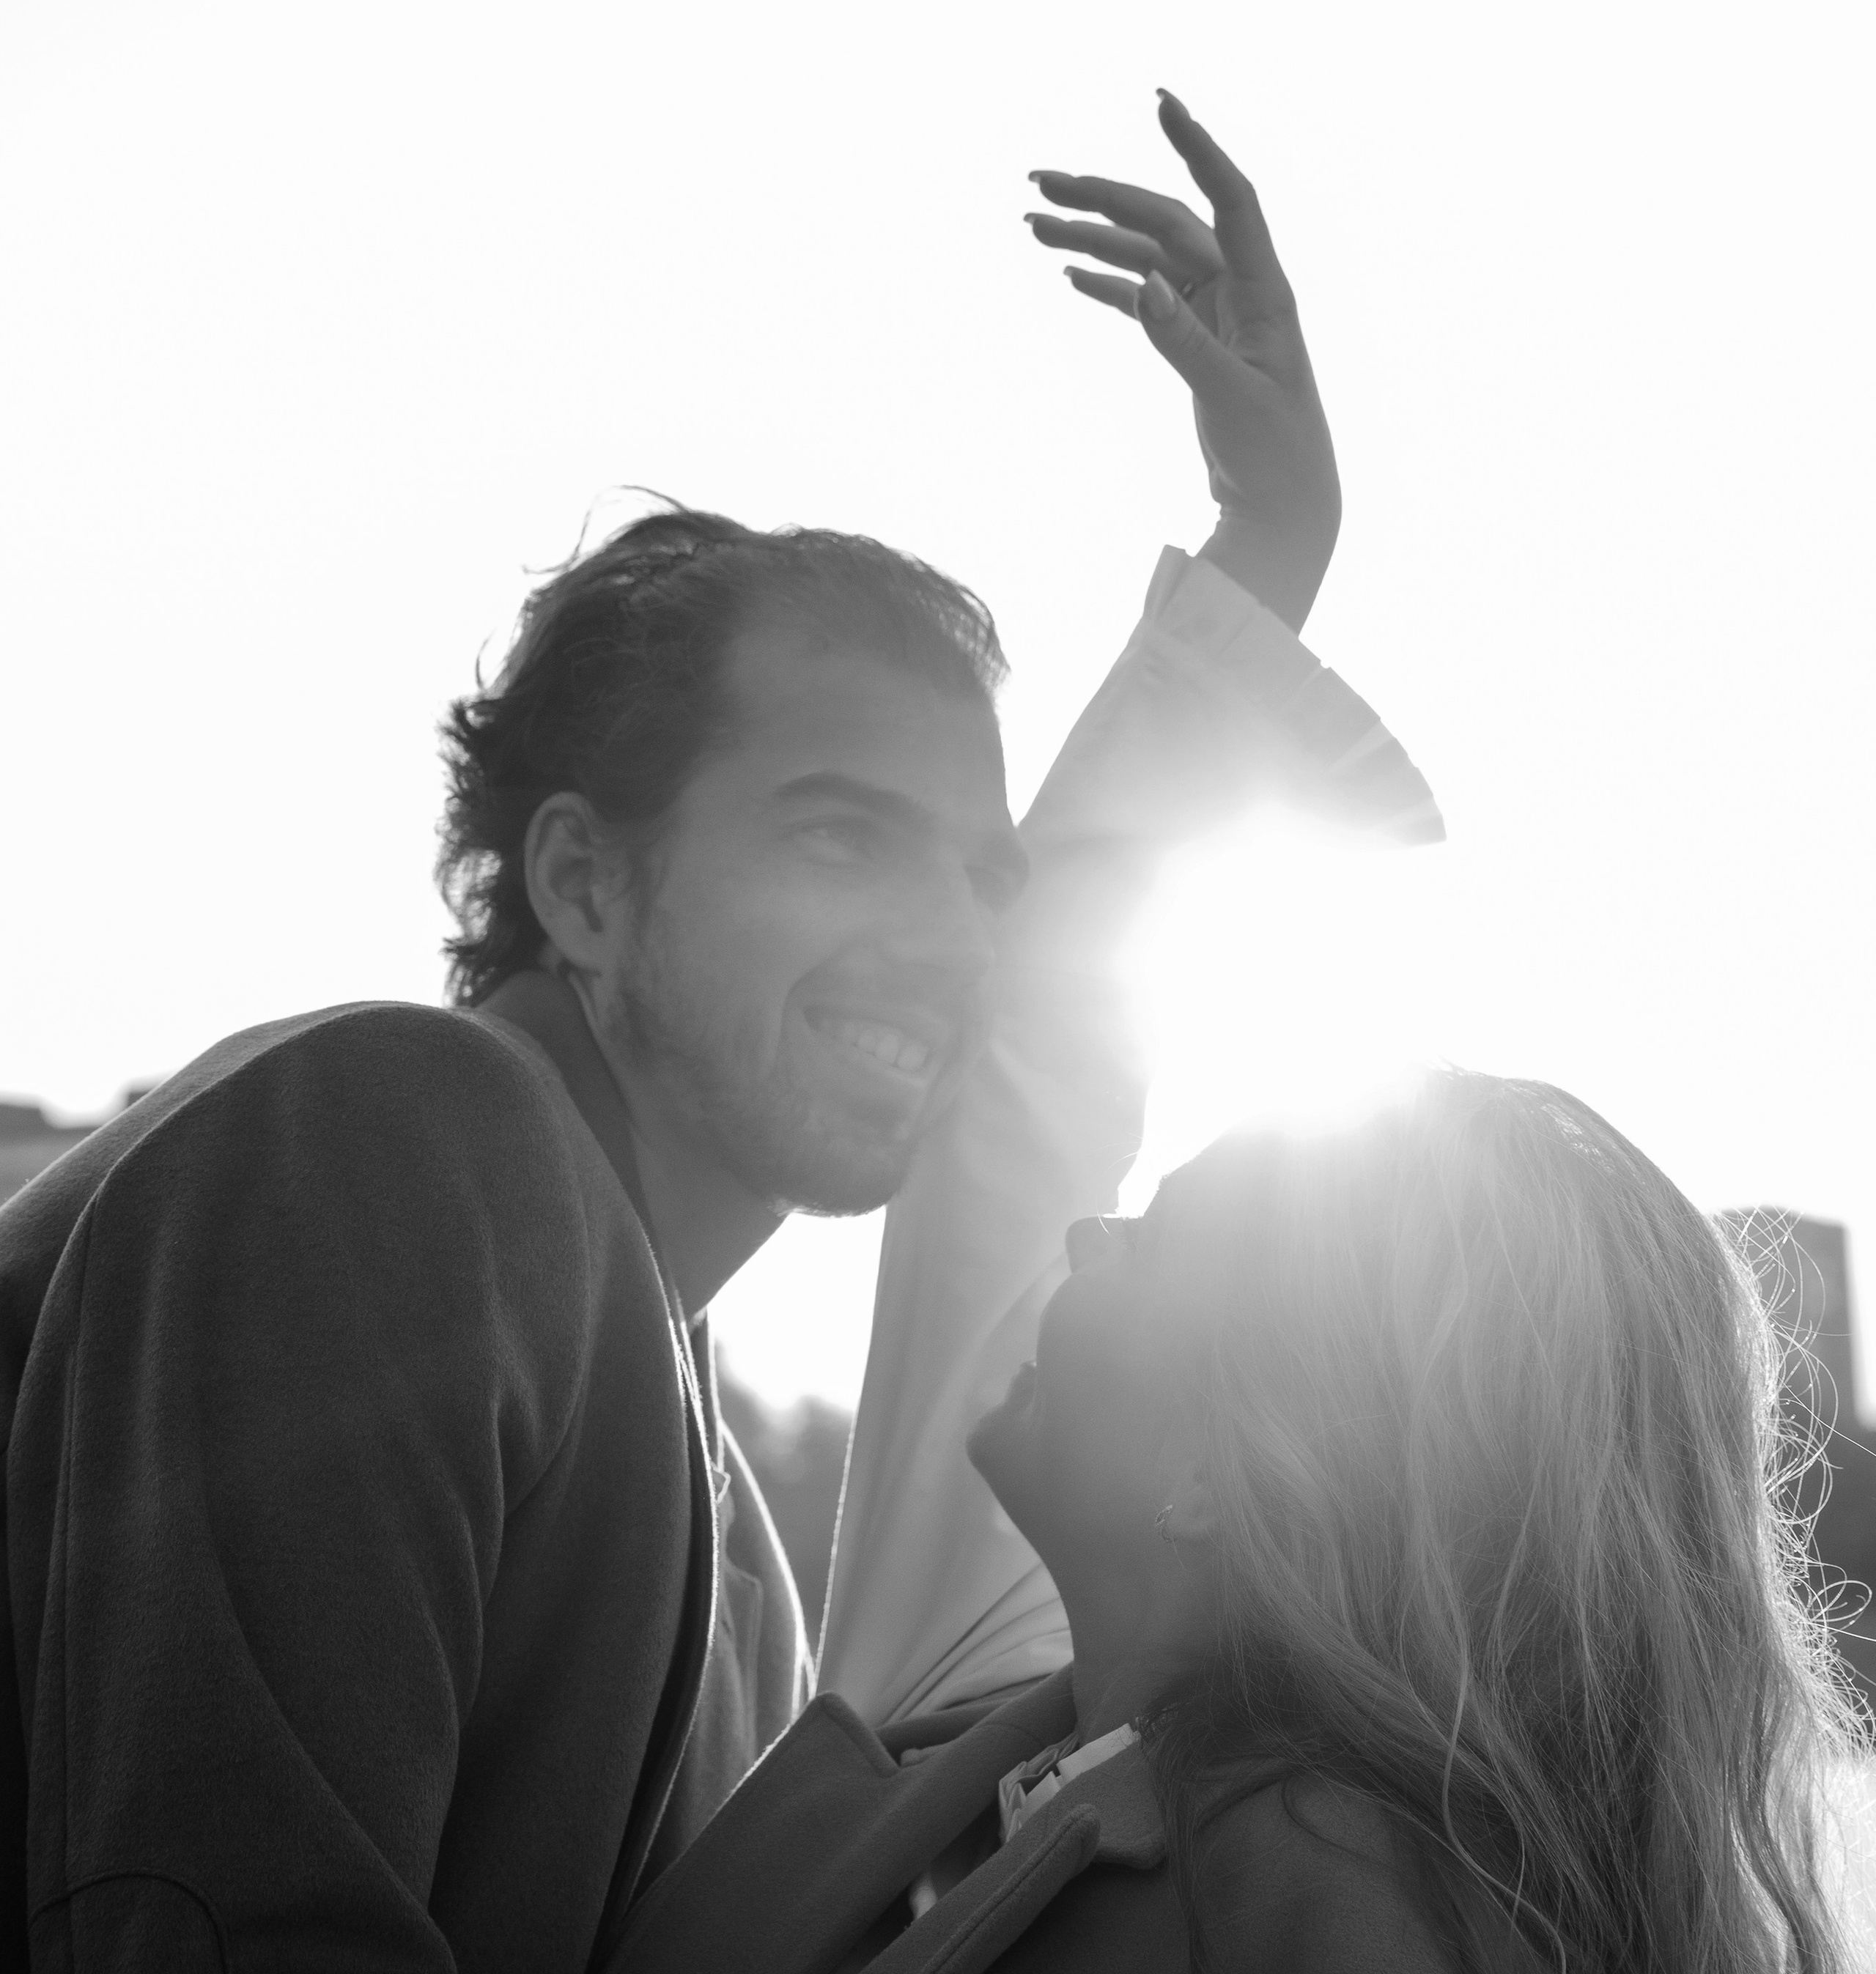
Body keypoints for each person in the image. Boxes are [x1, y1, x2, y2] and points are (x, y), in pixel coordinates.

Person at [0, 100, 1436, 1967]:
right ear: (584, 885)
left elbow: (1034, 1050)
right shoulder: (390, 1139)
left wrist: (1269, 550)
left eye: (975, 875)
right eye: (839, 832)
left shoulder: (727, 1543)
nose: (943, 936)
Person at [614, 1076, 1862, 1974]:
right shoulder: (1002, 1764)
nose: (1079, 1238)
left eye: (1143, 1241)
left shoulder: (1340, 1912)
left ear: (1227, 1460)